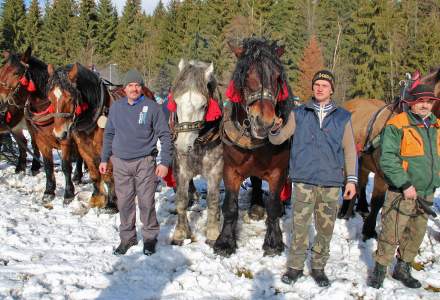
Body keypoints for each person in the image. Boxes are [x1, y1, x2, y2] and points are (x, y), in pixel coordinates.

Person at [269, 70, 358, 287]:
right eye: (316, 84)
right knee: (299, 226)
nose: (319, 88)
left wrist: (352, 180)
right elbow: (279, 138)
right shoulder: (298, 114)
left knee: (325, 228)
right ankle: (295, 267)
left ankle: (318, 267)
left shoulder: (343, 117)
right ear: (312, 88)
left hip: (330, 182)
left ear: (332, 89)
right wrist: (273, 128)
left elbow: (350, 151)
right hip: (304, 180)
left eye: (324, 85)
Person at [367, 83, 440, 289]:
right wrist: (405, 184)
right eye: (420, 101)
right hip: (403, 191)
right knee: (392, 232)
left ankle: (403, 269)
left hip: (426, 192)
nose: (425, 105)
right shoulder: (397, 125)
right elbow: (388, 159)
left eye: (428, 101)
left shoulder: (437, 126)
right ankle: (379, 271)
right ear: (411, 103)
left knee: (415, 234)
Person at [99, 69, 172, 256]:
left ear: (142, 87)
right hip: (120, 162)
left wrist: (164, 162)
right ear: (124, 88)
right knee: (124, 202)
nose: (134, 88)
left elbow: (165, 135)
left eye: (137, 85)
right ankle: (127, 238)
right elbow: (109, 134)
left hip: (144, 162)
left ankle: (149, 238)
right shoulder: (116, 108)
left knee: (146, 201)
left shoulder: (152, 108)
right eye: (130, 85)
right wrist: (104, 158)